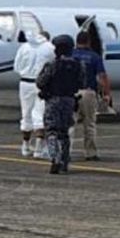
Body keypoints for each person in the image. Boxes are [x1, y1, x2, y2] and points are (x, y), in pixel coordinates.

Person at [36, 35, 85, 174]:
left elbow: (40, 82)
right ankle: (64, 161)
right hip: (69, 100)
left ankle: (55, 158)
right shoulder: (78, 65)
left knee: (51, 130)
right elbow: (82, 83)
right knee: (64, 132)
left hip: (53, 100)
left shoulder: (52, 65)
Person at [13, 30, 55, 158]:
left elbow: (16, 67)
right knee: (40, 114)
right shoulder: (50, 48)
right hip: (41, 83)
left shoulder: (24, 47)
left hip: (25, 83)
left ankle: (25, 146)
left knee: (26, 113)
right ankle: (38, 148)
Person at [71, 31, 111, 161]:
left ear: (76, 41)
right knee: (89, 124)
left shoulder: (70, 55)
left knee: (70, 123)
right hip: (88, 92)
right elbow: (102, 77)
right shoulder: (94, 57)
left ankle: (66, 151)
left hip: (71, 92)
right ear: (88, 41)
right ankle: (90, 153)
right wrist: (106, 94)